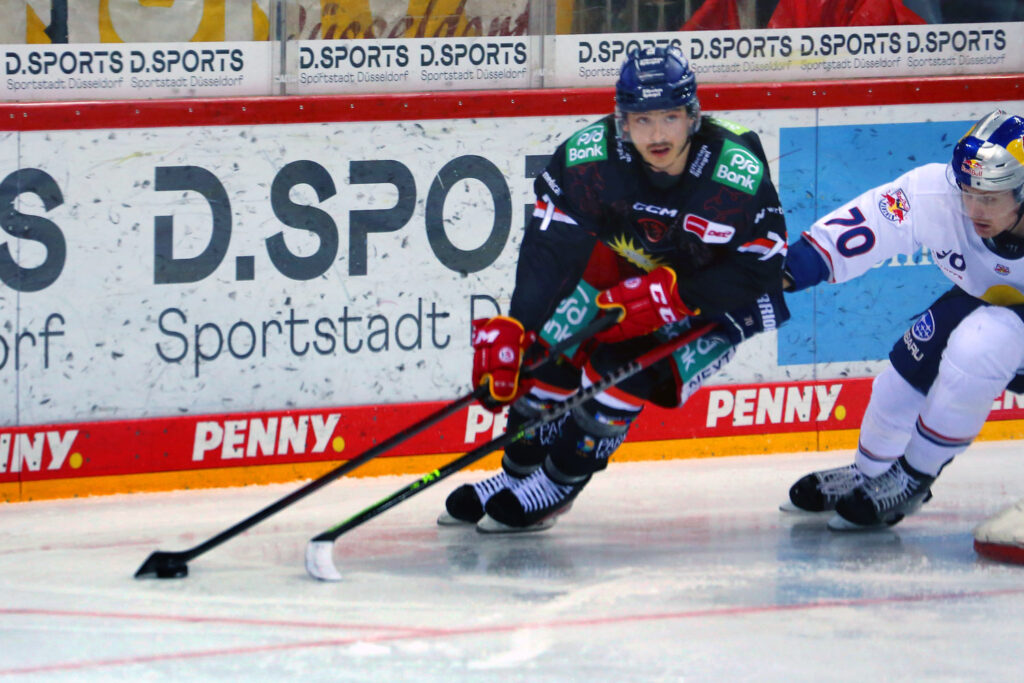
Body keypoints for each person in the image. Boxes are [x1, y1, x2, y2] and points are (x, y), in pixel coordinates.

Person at [438, 45, 790, 533]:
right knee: (545, 353)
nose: (658, 134)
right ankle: (516, 476)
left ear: (692, 116)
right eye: (643, 120)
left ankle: (557, 483)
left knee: (620, 372)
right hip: (628, 273)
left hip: (718, 297)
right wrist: (518, 325)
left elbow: (765, 270)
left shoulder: (734, 168)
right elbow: (549, 249)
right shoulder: (591, 158)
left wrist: (674, 297)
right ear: (623, 122)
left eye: (670, 116)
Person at [781, 110, 1024, 530]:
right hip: (983, 299)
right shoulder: (936, 193)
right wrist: (783, 272)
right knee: (903, 375)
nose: (973, 208)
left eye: (990, 197)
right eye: (968, 191)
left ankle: (914, 476)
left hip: (996, 324)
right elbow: (865, 224)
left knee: (980, 342)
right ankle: (872, 473)